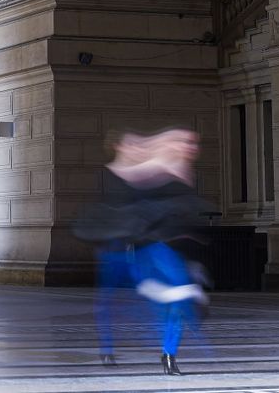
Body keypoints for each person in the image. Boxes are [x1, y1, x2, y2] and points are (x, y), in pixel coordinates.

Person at [75, 129, 210, 376]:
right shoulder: (111, 177)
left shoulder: (154, 174)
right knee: (108, 302)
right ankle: (107, 347)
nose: (139, 147)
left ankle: (169, 354)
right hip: (117, 249)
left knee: (175, 297)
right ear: (118, 147)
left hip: (155, 246)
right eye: (132, 144)